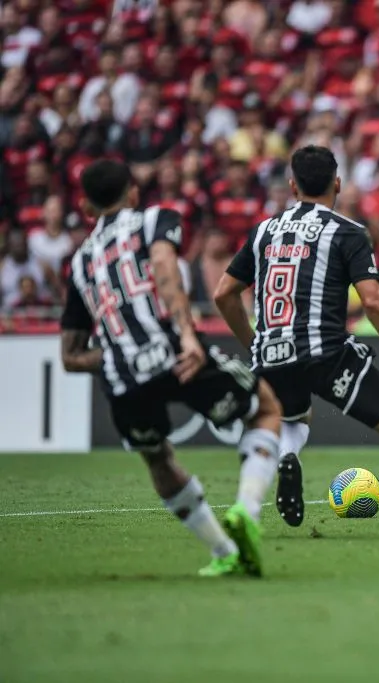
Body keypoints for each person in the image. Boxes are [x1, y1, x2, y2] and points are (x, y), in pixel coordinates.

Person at [213, 145, 379, 540]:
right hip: (325, 351)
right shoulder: (347, 231)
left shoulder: (262, 231)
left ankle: (279, 467)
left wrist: (256, 343)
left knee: (288, 419)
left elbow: (224, 294)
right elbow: (374, 300)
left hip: (271, 352)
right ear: (337, 183)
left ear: (292, 185)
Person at [60, 159, 282, 578]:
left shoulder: (77, 264)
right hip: (173, 353)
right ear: (132, 193)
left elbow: (70, 356)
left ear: (87, 208)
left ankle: (223, 551)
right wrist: (185, 335)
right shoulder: (154, 220)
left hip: (122, 380)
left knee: (158, 458)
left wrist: (114, 354)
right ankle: (247, 512)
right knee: (266, 408)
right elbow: (164, 267)